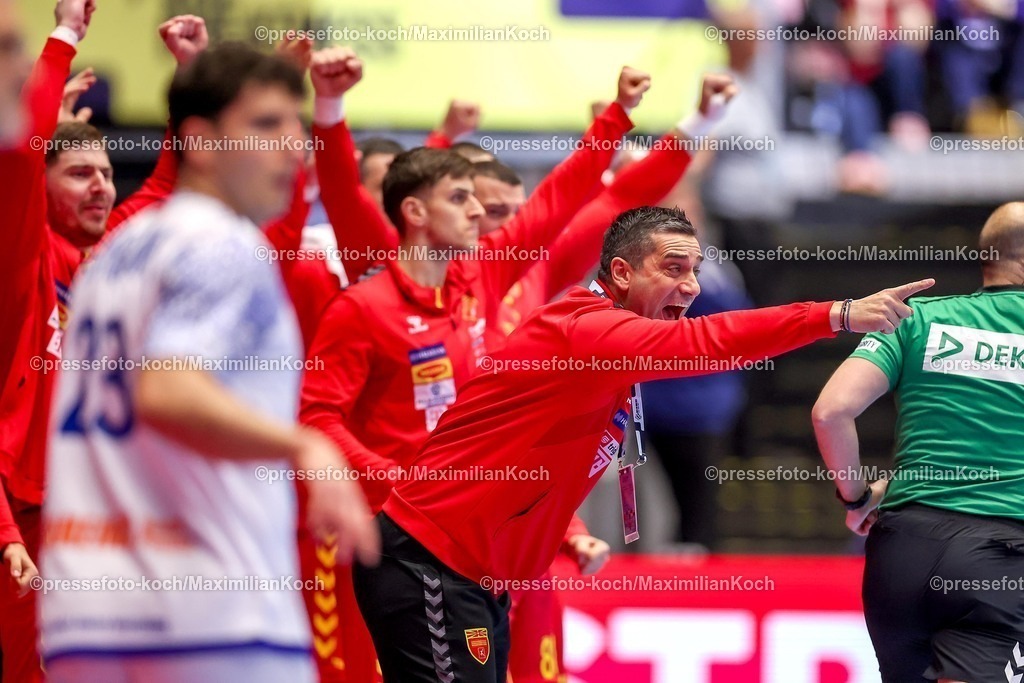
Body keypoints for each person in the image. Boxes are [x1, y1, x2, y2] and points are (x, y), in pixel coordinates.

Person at [351, 205, 933, 683]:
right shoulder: (584, 326)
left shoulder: (612, 348)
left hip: (484, 575)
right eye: (674, 268)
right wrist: (834, 314)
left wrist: (568, 532)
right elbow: (712, 342)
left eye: (697, 270)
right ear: (623, 274)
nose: (693, 285)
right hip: (432, 558)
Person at [39, 42, 379, 683]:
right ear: (198, 142)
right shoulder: (221, 243)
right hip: (214, 613)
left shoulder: (117, 252)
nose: (292, 146)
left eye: (296, 126)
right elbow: (166, 390)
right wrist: (307, 446)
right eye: (265, 126)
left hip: (88, 614)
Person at [812, 202, 1024, 683]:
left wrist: (858, 497)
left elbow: (830, 411)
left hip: (902, 553)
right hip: (1003, 553)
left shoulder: (916, 318)